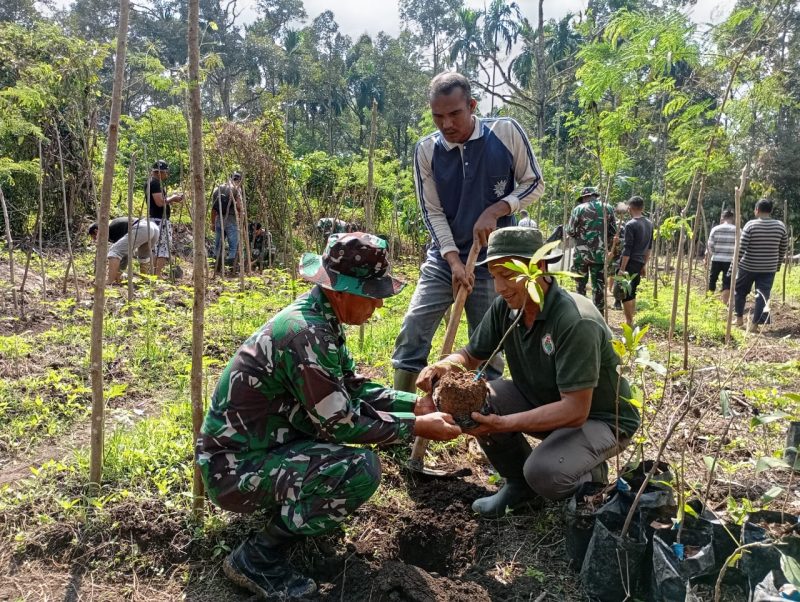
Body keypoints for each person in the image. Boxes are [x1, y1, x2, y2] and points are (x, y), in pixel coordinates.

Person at [196, 232, 462, 599]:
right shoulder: (306, 335)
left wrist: (413, 404)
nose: (378, 307)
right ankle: (258, 556)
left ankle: (296, 522)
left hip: (263, 448)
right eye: (372, 296)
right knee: (360, 469)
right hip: (234, 469)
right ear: (340, 291)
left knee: (345, 456)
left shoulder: (321, 321)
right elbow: (340, 422)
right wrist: (415, 427)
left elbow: (351, 387)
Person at [417, 227, 639, 517]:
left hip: (602, 419)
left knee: (545, 472)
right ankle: (519, 488)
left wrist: (502, 423)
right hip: (544, 400)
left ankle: (590, 477)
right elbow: (472, 354)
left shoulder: (574, 320)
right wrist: (444, 365)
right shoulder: (507, 308)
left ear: (539, 267)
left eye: (508, 274)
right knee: (479, 402)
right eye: (495, 275)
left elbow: (575, 410)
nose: (499, 287)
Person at [391, 71, 544, 394]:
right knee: (413, 329)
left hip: (494, 260)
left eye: (454, 114)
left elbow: (534, 183)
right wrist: (453, 261)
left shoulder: (505, 132)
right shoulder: (426, 151)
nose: (446, 124)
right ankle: (404, 412)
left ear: (472, 106)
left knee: (487, 340)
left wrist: (498, 209)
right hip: (443, 258)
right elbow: (431, 211)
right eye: (438, 117)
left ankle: (484, 417)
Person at [733, 199, 788, 328]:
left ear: (756, 210)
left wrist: (734, 266)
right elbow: (782, 249)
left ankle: (739, 319)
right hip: (769, 268)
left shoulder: (750, 225)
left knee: (740, 291)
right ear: (771, 211)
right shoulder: (780, 226)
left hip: (748, 266)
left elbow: (741, 248)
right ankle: (755, 325)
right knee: (763, 295)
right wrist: (777, 265)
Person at [567, 186, 617, 311]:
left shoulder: (578, 209)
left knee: (580, 286)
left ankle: (580, 313)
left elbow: (570, 231)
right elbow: (613, 231)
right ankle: (598, 314)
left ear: (584, 197)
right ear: (595, 195)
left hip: (581, 255)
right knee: (599, 286)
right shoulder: (608, 208)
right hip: (600, 255)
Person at [88, 217, 160, 284]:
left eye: (94, 237)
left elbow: (120, 253)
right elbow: (126, 253)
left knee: (114, 251)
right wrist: (119, 272)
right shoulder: (113, 225)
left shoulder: (109, 230)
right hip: (153, 228)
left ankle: (109, 281)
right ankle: (145, 282)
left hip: (142, 228)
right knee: (143, 257)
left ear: (96, 231)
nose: (95, 240)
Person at [617, 196, 653, 327]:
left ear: (630, 208)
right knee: (633, 291)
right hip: (639, 263)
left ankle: (629, 321)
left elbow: (627, 249)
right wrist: (644, 264)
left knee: (625, 293)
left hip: (629, 263)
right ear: (642, 208)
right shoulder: (649, 224)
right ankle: (631, 319)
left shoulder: (630, 224)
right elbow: (649, 248)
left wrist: (622, 268)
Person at [146, 160, 184, 278]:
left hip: (155, 219)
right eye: (165, 172)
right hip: (159, 221)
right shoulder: (155, 183)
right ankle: (157, 275)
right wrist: (173, 198)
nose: (167, 175)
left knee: (155, 247)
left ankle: (153, 274)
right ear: (159, 172)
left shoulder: (151, 183)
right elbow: (159, 202)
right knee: (163, 247)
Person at [211, 172, 243, 271]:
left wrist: (212, 223)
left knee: (218, 245)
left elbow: (213, 209)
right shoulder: (237, 189)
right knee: (233, 246)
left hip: (219, 219)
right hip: (231, 220)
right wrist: (241, 215)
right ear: (239, 180)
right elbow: (238, 206)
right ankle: (231, 268)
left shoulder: (217, 189)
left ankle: (217, 267)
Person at [706, 209, 737, 305]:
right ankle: (724, 304)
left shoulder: (715, 229)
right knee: (727, 282)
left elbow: (710, 246)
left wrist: (706, 258)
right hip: (730, 261)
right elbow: (740, 246)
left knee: (712, 280)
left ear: (722, 218)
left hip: (716, 259)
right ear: (733, 218)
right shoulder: (737, 230)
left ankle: (709, 301)